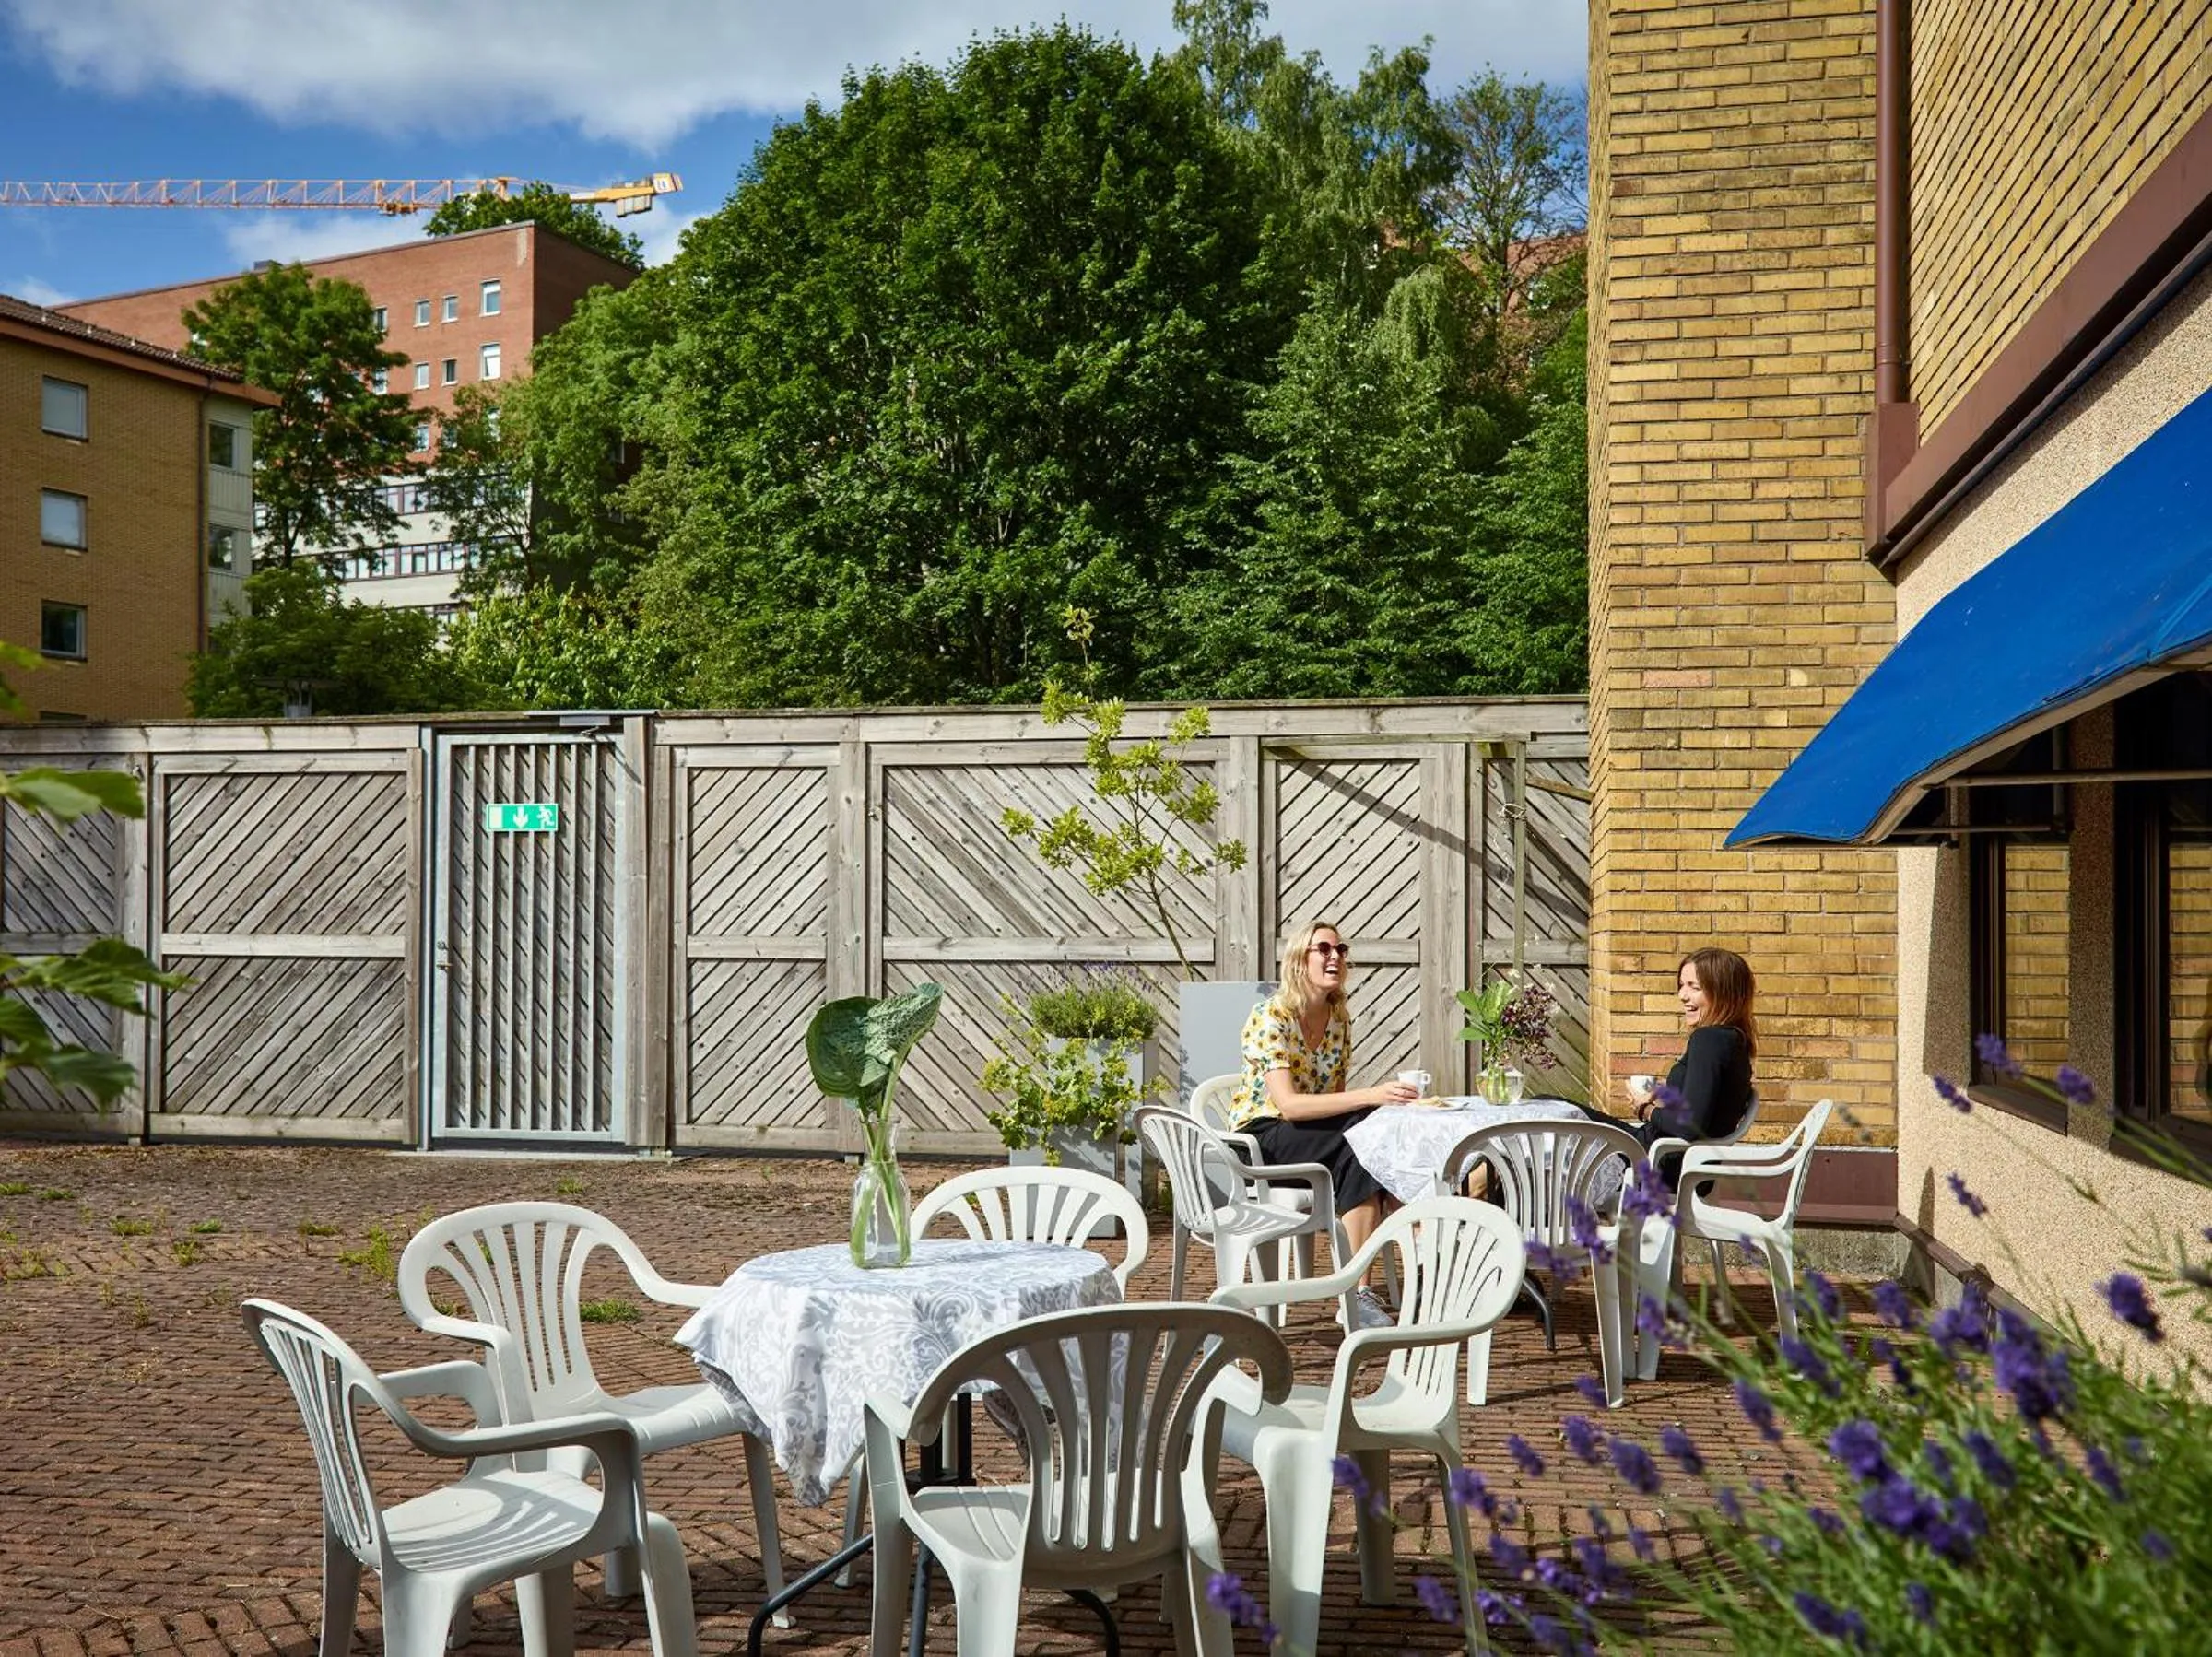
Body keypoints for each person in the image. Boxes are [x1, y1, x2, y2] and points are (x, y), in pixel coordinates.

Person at [1228, 918, 1419, 1330]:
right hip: (1261, 1139)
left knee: (1369, 1144)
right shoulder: (1270, 1016)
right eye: (1325, 949)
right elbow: (1291, 1105)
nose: (1336, 957)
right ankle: (1408, 1255)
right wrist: (1372, 1096)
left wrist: (1376, 1108)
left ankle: (1358, 1295)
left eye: (1341, 950)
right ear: (1300, 960)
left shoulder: (1339, 1020)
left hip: (1311, 1140)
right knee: (1364, 1135)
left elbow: (1334, 1099)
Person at [1626, 946, 1758, 1187]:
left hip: (1658, 1162)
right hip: (1678, 1160)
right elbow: (1707, 1098)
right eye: (1681, 985)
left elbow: (1689, 1126)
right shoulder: (1733, 1041)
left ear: (1724, 993)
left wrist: (1644, 1109)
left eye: (1694, 987)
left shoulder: (1709, 1040)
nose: (1682, 995)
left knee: (1550, 1112)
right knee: (1551, 1108)